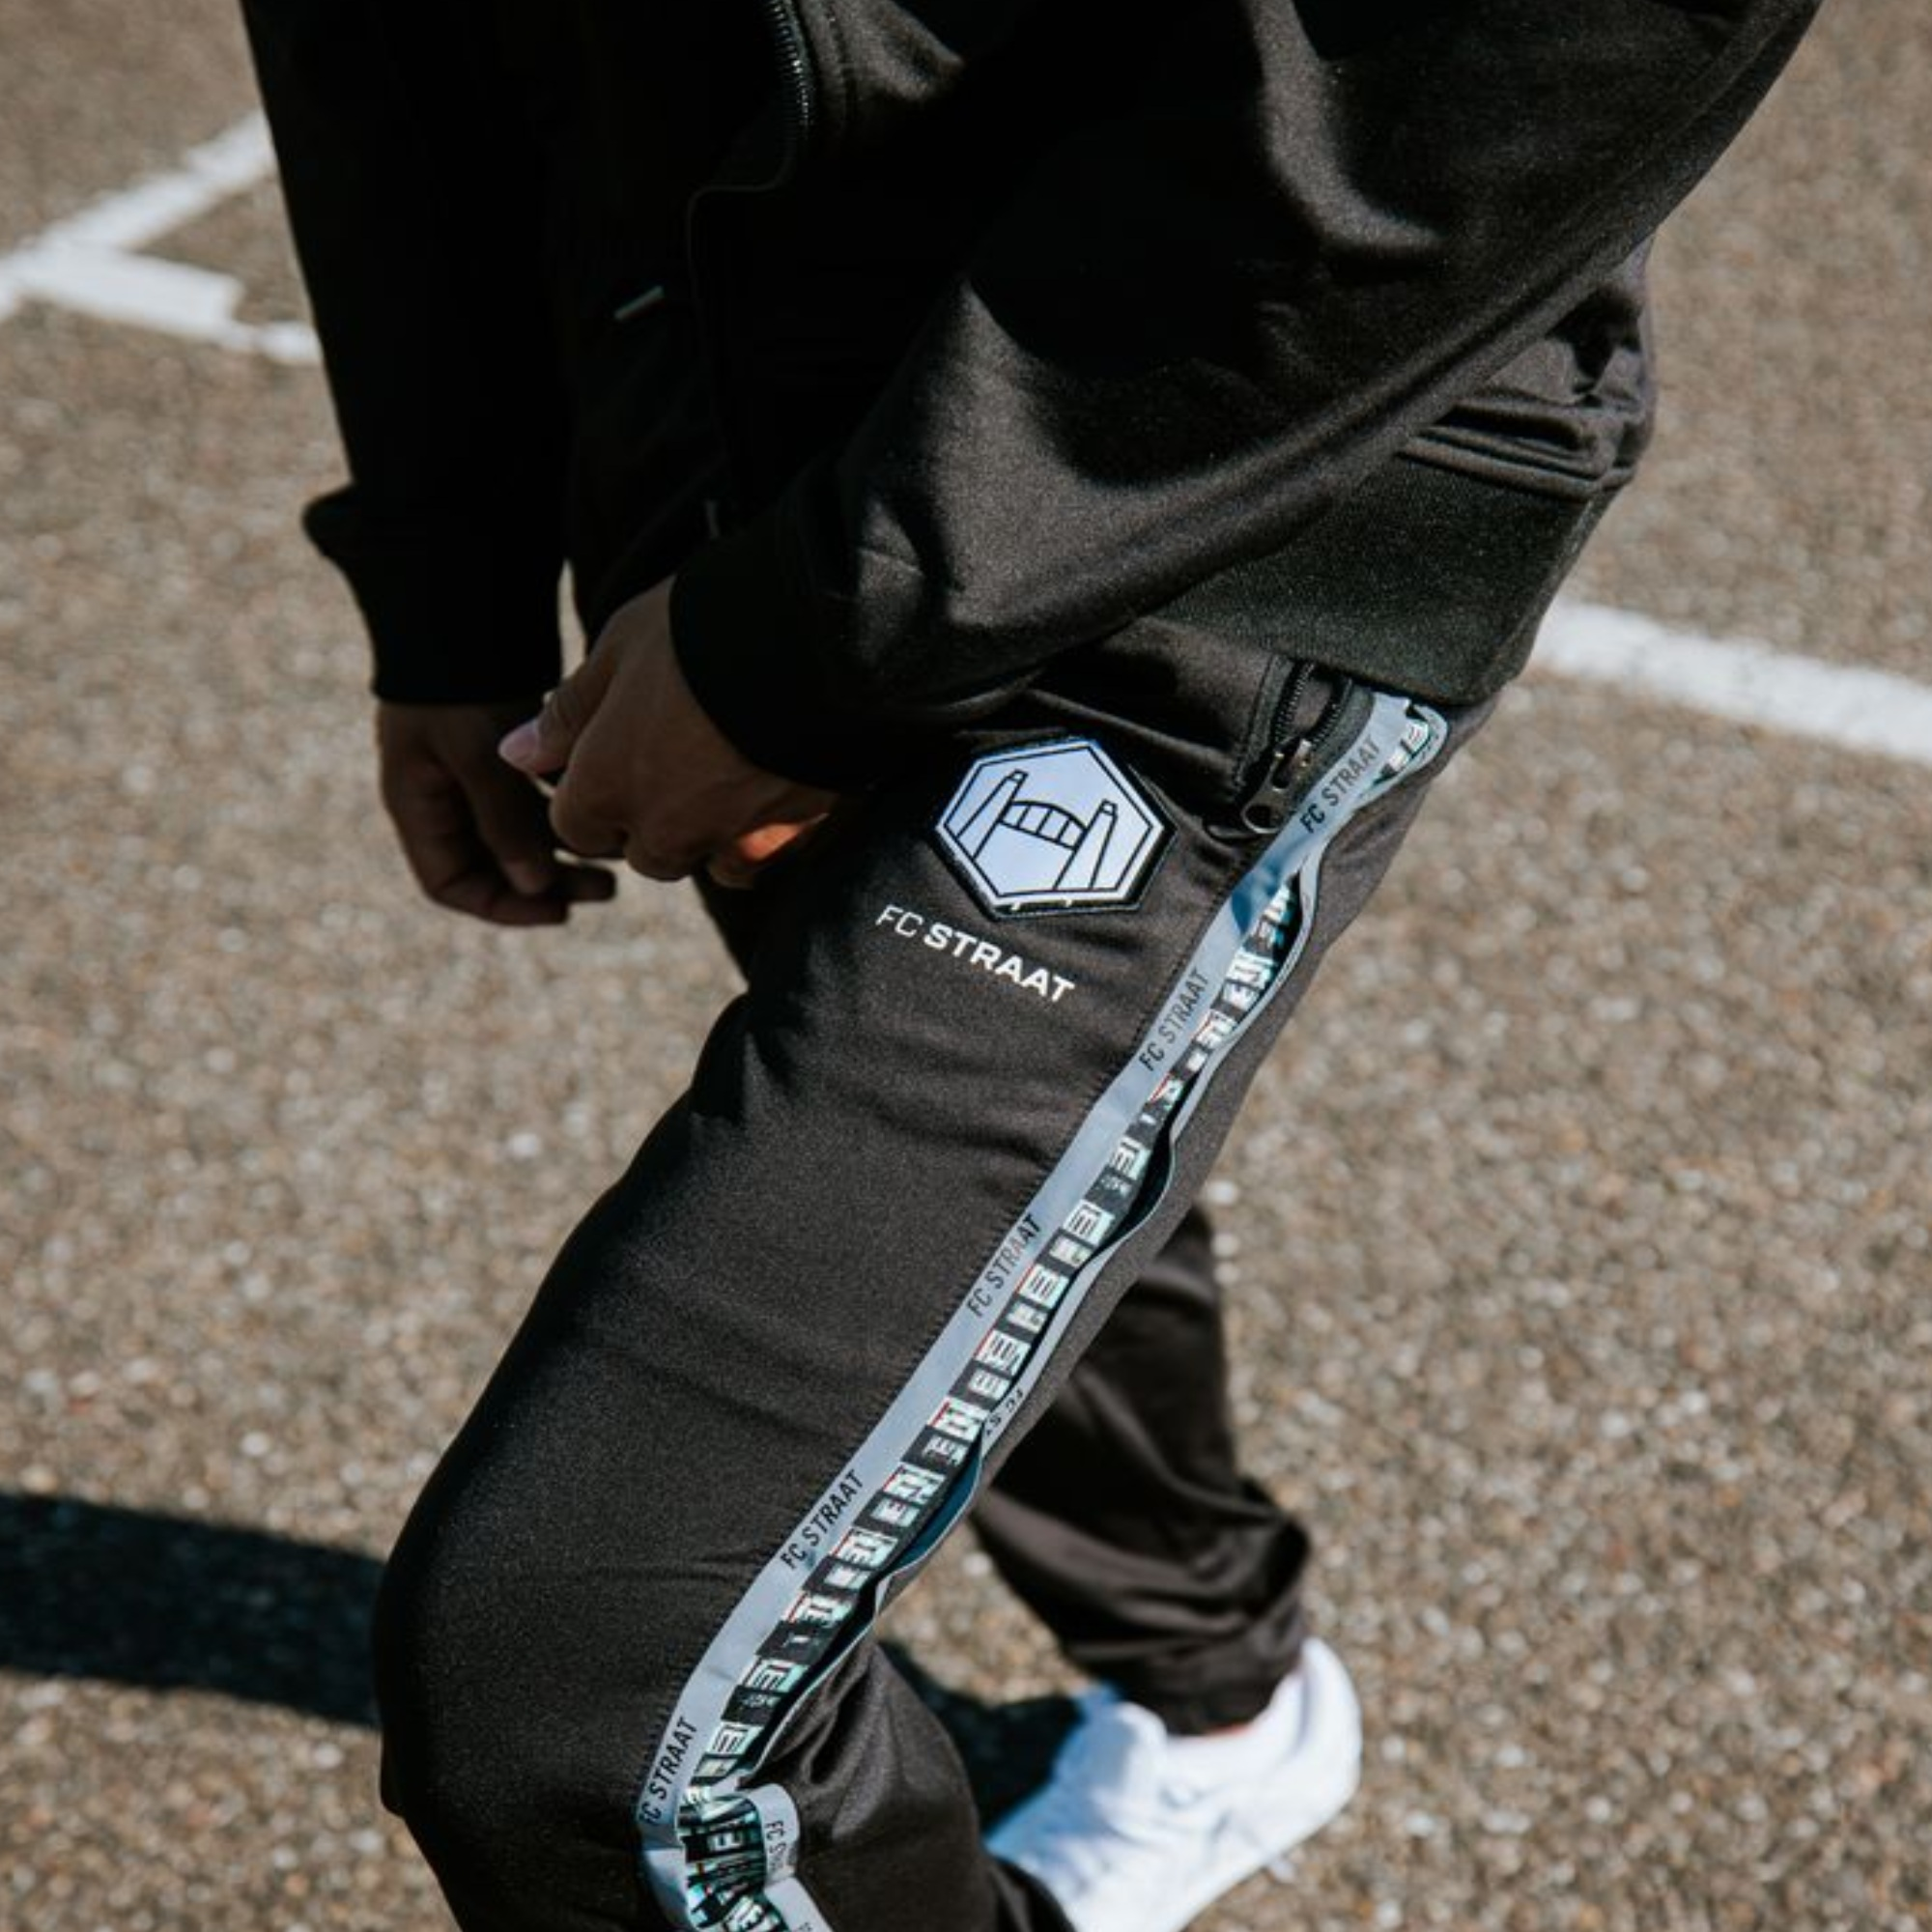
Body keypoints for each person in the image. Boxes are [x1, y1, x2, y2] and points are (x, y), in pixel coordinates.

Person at [240, 4, 1820, 1928]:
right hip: (725, 430)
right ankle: (1219, 1693)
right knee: (1002, 1198)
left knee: (593, 1711)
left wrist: (821, 630)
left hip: (1223, 478)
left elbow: (1532, 46)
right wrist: (447, 574)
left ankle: (1216, 1695)